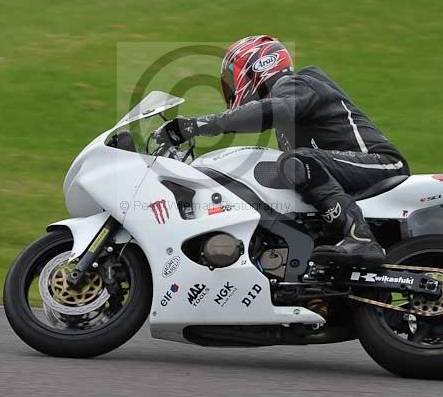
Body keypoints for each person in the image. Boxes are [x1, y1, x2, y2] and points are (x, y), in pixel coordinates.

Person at [161, 35, 409, 266]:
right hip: (347, 174)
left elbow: (272, 110)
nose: (231, 90)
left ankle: (361, 237)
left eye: (231, 80)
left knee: (295, 161)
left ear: (255, 69)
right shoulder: (286, 126)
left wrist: (198, 125)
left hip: (382, 164)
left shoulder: (297, 83)